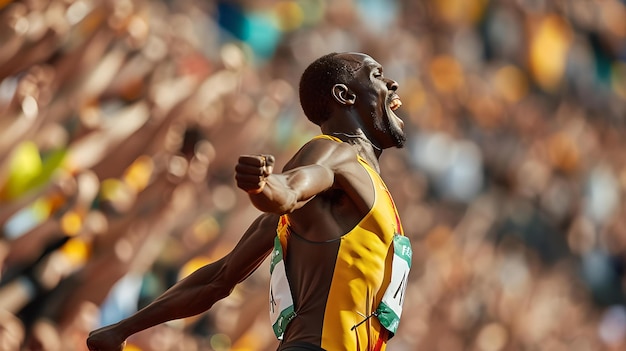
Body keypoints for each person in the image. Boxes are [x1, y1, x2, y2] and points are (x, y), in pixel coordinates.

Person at [86, 52, 412, 351]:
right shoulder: (338, 153)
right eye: (377, 75)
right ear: (345, 96)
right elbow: (291, 188)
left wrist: (121, 330)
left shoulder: (353, 193)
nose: (392, 83)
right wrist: (263, 187)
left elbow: (219, 278)